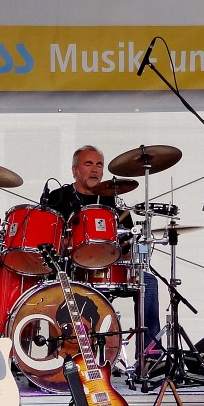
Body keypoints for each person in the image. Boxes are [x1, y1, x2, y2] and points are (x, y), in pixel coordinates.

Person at [45, 145, 162, 358]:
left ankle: (150, 356)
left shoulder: (114, 200)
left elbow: (129, 244)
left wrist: (124, 248)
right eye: (88, 164)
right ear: (75, 170)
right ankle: (54, 358)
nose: (95, 170)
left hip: (108, 269)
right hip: (71, 271)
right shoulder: (58, 197)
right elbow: (46, 241)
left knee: (149, 282)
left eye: (99, 165)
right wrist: (66, 242)